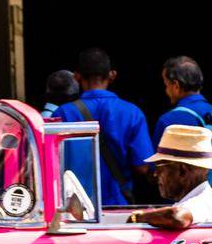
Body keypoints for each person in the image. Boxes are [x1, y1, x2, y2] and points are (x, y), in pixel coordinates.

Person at [52, 48, 153, 206]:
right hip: (118, 205)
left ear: (77, 76)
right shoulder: (132, 113)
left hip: (75, 209)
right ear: (112, 75)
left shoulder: (62, 114)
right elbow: (143, 166)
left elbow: (51, 164)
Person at [127, 124, 212, 228]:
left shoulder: (200, 202)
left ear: (182, 171)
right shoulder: (205, 199)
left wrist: (138, 218)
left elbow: (177, 217)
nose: (155, 174)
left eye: (159, 167)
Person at [152, 55, 212, 146]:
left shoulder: (169, 122)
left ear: (176, 85)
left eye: (166, 85)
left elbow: (156, 159)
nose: (166, 90)